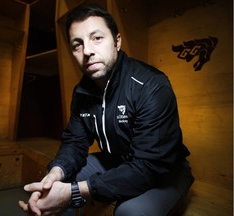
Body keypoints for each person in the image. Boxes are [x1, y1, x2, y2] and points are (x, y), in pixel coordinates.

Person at [19, 4, 194, 216]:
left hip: (165, 171)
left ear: (117, 42)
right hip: (117, 160)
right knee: (54, 183)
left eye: (97, 38)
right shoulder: (81, 92)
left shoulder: (151, 84)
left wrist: (75, 192)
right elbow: (74, 142)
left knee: (131, 212)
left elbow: (148, 166)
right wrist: (56, 172)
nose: (87, 51)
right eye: (77, 44)